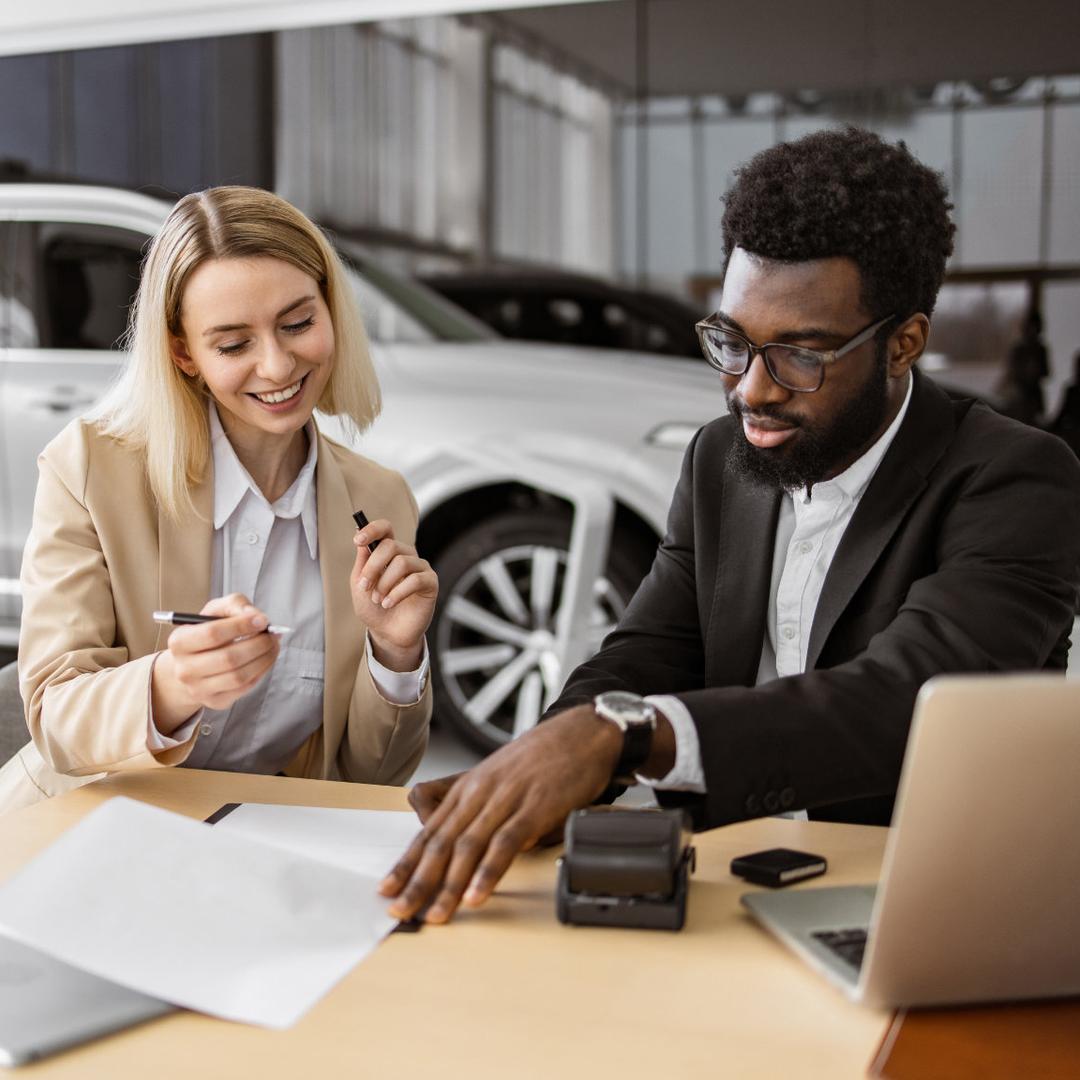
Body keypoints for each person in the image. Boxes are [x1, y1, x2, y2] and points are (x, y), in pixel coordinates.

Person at [378, 127, 1080, 925]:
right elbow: (653, 645)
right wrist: (537, 764)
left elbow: (904, 703)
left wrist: (627, 738)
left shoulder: (1014, 478)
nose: (751, 389)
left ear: (903, 344)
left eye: (800, 356)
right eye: (732, 343)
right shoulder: (720, 457)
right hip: (726, 883)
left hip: (923, 896)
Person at [0, 187, 436, 813]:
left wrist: (396, 655)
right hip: (83, 828)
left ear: (332, 311)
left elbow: (372, 777)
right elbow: (56, 720)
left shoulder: (378, 498)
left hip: (257, 850)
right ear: (184, 354)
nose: (278, 365)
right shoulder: (91, 469)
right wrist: (172, 685)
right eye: (233, 345)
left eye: (298, 324)